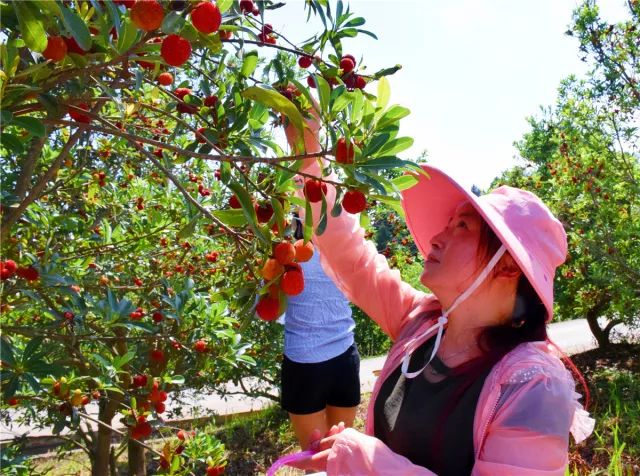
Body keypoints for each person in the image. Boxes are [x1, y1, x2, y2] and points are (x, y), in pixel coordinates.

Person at [281, 110, 595, 475]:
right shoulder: (422, 325)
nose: (436, 237)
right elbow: (354, 258)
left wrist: (367, 460)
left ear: (508, 266)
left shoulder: (534, 388)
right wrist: (308, 152)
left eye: (462, 226)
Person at [279, 214, 361, 449]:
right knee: (337, 456)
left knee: (324, 457)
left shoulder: (283, 249)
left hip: (308, 362)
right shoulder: (345, 241)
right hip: (342, 357)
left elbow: (265, 311)